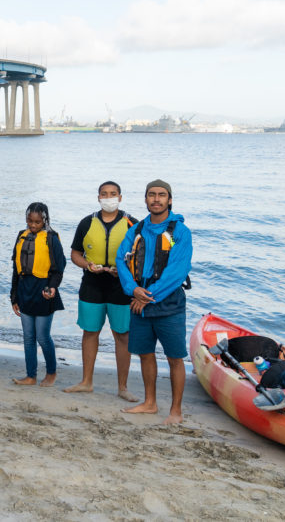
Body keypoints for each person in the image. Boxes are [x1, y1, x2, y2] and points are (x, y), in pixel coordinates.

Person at [116, 179, 193, 425]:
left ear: (169, 200)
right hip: (139, 299)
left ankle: (176, 411)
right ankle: (150, 403)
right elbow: (121, 259)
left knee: (174, 357)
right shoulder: (137, 230)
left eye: (161, 195)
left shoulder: (178, 232)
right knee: (145, 354)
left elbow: (177, 272)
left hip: (168, 305)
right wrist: (133, 289)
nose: (156, 199)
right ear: (146, 199)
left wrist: (147, 297)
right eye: (152, 195)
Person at [64, 181, 139, 401]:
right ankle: (86, 382)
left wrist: (125, 272)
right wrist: (88, 266)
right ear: (98, 198)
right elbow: (75, 254)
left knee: (122, 335)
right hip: (92, 284)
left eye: (113, 194)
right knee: (90, 332)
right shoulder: (87, 222)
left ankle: (123, 387)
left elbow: (141, 256)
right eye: (104, 194)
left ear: (120, 197)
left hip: (121, 286)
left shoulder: (132, 223)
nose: (109, 198)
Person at [10, 203, 66, 387]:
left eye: (37, 222)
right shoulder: (21, 236)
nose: (33, 225)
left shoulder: (51, 238)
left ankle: (51, 373)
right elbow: (15, 270)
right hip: (24, 290)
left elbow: (59, 268)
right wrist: (14, 297)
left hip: (43, 291)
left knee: (42, 336)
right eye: (30, 221)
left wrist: (52, 287)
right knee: (28, 337)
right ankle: (31, 375)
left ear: (45, 220)